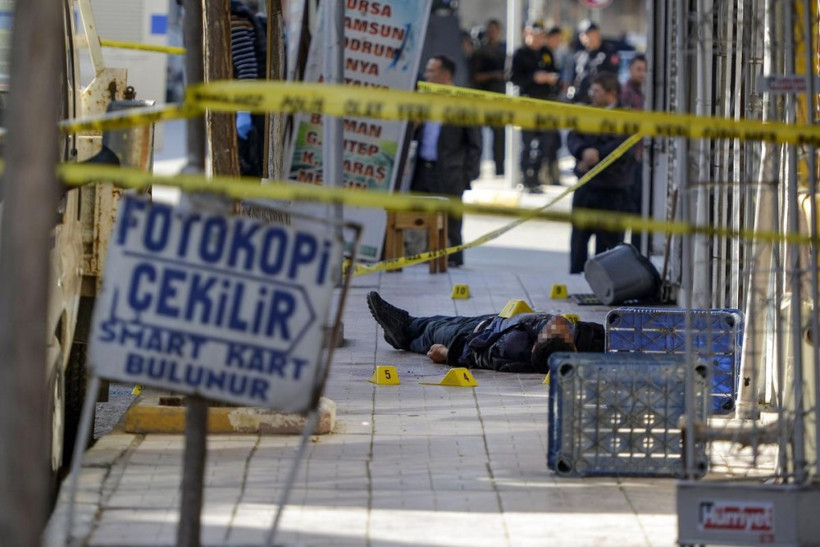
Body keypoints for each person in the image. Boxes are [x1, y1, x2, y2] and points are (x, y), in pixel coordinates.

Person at [366, 292, 605, 374]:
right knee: (438, 321)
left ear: (537, 344)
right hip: (492, 322)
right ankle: (403, 330)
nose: (558, 321)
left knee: (432, 331)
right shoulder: (581, 340)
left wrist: (448, 354)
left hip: (469, 336)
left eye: (554, 328)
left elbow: (478, 357)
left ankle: (403, 331)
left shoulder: (512, 347)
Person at [411, 55, 482, 268]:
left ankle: (453, 260)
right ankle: (424, 258)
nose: (427, 75)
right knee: (420, 218)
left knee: (451, 223)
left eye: (431, 71)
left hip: (450, 172)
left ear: (446, 75)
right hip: (423, 169)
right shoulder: (423, 101)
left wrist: (466, 175)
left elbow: (475, 143)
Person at [567, 72, 636, 274]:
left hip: (613, 190)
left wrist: (596, 155)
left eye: (596, 90)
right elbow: (573, 137)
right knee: (579, 239)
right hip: (587, 187)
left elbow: (623, 147)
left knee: (609, 245)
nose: (591, 94)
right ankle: (576, 275)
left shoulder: (626, 117)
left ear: (611, 94)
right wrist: (583, 152)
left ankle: (605, 282)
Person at [510, 20, 562, 191]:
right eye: (536, 34)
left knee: (545, 143)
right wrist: (533, 77)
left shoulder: (546, 53)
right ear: (527, 33)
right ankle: (526, 178)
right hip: (527, 104)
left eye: (542, 35)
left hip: (546, 104)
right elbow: (511, 77)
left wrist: (552, 78)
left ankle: (537, 177)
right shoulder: (519, 53)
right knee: (527, 143)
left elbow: (555, 70)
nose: (539, 39)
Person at [231, 0, 266, 177]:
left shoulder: (233, 18)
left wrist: (244, 111)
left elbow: (247, 67)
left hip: (249, 109)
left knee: (248, 169)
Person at [470, 19, 508, 176]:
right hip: (482, 98)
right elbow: (475, 76)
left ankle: (500, 170)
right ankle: (474, 170)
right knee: (476, 138)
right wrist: (494, 75)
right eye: (490, 30)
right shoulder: (480, 51)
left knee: (500, 138)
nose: (492, 33)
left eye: (495, 30)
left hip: (499, 99)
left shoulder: (505, 49)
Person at [621, 54, 647, 249]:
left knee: (640, 210)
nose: (642, 73)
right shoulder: (625, 94)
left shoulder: (649, 93)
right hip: (628, 160)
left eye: (645, 69)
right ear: (630, 70)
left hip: (643, 159)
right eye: (638, 69)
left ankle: (638, 250)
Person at [567, 21, 620, 104]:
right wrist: (570, 96)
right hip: (580, 100)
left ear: (598, 34)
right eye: (584, 34)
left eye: (591, 33)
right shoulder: (579, 56)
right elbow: (573, 80)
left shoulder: (608, 53)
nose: (588, 37)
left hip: (601, 101)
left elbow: (612, 78)